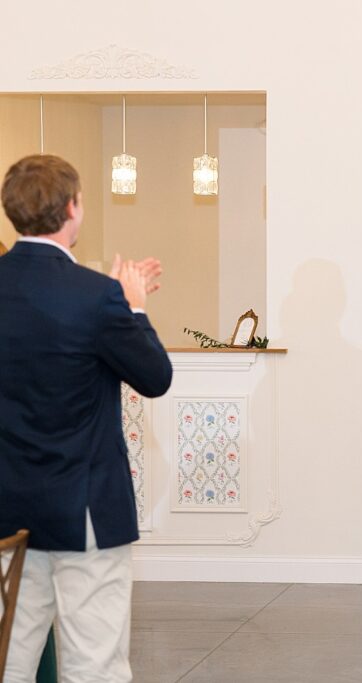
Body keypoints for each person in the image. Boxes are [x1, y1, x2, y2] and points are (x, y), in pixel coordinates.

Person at [0, 154, 172, 682]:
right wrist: (134, 306)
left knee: (9, 661)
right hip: (86, 508)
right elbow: (155, 377)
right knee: (93, 663)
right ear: (73, 209)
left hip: (6, 508)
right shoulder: (96, 296)